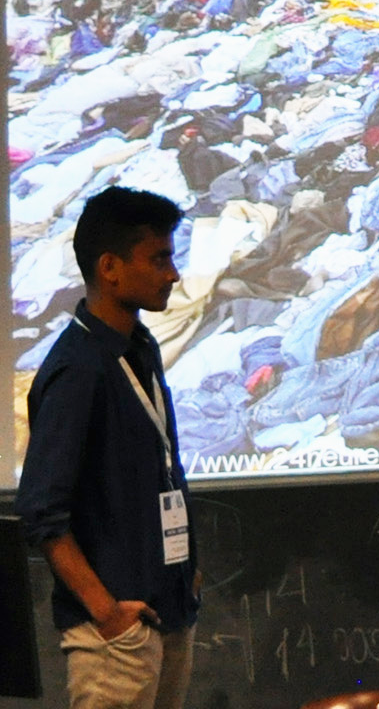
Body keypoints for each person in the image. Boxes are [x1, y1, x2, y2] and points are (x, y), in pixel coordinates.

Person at [16, 187, 201, 709]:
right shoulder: (78, 367)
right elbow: (41, 511)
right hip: (116, 634)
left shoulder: (139, 348)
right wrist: (107, 612)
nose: (173, 273)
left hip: (168, 610)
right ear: (110, 267)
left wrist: (187, 570)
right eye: (159, 258)